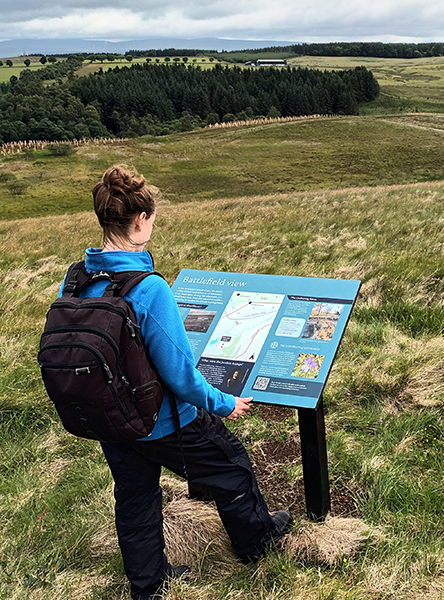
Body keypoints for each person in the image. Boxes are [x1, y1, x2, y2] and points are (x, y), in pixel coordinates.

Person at [76, 164, 292, 600]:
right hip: (161, 419)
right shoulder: (149, 287)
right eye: (152, 218)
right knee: (231, 465)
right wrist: (224, 403)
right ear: (140, 220)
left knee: (135, 496)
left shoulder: (79, 277)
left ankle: (147, 583)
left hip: (111, 416)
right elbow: (181, 376)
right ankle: (256, 542)